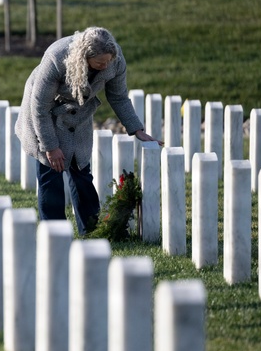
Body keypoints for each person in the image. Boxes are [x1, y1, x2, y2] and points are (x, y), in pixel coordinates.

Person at [14, 26, 159, 234]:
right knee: (50, 174)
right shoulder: (57, 57)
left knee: (81, 171)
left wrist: (136, 128)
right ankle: (54, 234)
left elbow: (118, 97)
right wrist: (50, 146)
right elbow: (39, 108)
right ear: (84, 57)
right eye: (100, 62)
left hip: (79, 115)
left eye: (108, 61)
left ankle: (91, 230)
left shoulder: (114, 59)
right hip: (44, 115)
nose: (105, 65)